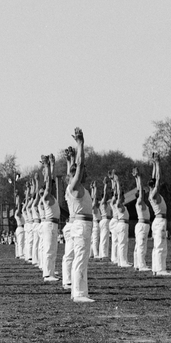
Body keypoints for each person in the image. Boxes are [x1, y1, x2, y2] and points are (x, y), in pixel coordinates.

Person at [65, 128, 94, 303]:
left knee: (82, 259)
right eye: (82, 171)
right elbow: (80, 164)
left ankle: (80, 292)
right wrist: (80, 144)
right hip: (81, 226)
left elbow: (77, 166)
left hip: (84, 226)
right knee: (80, 259)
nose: (85, 173)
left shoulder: (78, 187)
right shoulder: (74, 187)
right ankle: (78, 294)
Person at [148, 153, 171, 277]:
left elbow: (154, 178)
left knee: (157, 246)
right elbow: (158, 178)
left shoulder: (151, 193)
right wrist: (157, 163)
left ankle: (156, 268)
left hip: (158, 221)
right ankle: (160, 269)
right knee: (161, 246)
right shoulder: (154, 194)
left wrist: (154, 164)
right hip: (160, 221)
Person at [40, 155, 61, 283]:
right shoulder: (46, 196)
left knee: (52, 249)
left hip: (52, 225)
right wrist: (47, 166)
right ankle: (47, 274)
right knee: (48, 249)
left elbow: (51, 181)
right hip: (49, 225)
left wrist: (52, 166)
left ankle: (51, 272)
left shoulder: (51, 196)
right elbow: (48, 182)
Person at [131, 168, 151, 271]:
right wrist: (139, 178)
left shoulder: (140, 202)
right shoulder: (139, 202)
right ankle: (141, 265)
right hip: (142, 225)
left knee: (139, 245)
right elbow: (140, 192)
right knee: (141, 245)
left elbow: (139, 190)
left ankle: (136, 264)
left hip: (142, 225)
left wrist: (136, 178)